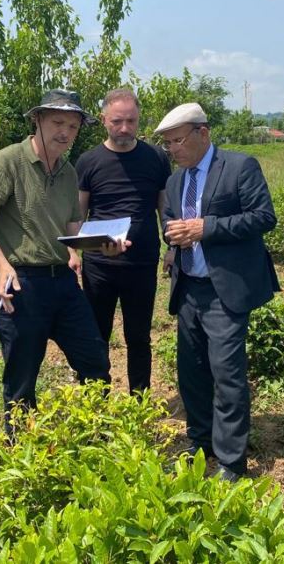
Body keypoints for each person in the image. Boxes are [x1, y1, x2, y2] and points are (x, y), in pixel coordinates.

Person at [0, 89, 122, 432]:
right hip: (21, 282)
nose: (64, 132)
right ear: (37, 119)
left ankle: (94, 439)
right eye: (57, 122)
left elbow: (72, 230)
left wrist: (101, 245)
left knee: (95, 362)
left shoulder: (68, 172)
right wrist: (3, 266)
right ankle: (22, 457)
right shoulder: (7, 161)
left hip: (63, 282)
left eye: (72, 125)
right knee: (22, 380)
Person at [157, 103, 279, 482]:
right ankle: (200, 441)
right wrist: (171, 235)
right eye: (168, 145)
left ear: (203, 133)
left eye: (178, 141)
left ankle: (231, 460)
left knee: (227, 374)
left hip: (225, 289)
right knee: (191, 372)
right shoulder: (176, 181)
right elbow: (169, 222)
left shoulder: (239, 167)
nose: (173, 150)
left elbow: (263, 217)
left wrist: (205, 228)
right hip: (189, 288)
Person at [75, 88, 170, 393]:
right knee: (95, 336)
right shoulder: (88, 161)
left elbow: (163, 207)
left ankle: (138, 402)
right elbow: (78, 215)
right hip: (99, 266)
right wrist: (76, 252)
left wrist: (173, 246)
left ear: (139, 119)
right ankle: (97, 405)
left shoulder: (155, 157)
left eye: (131, 120)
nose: (125, 128)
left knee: (139, 337)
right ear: (104, 120)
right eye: (117, 121)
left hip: (142, 264)